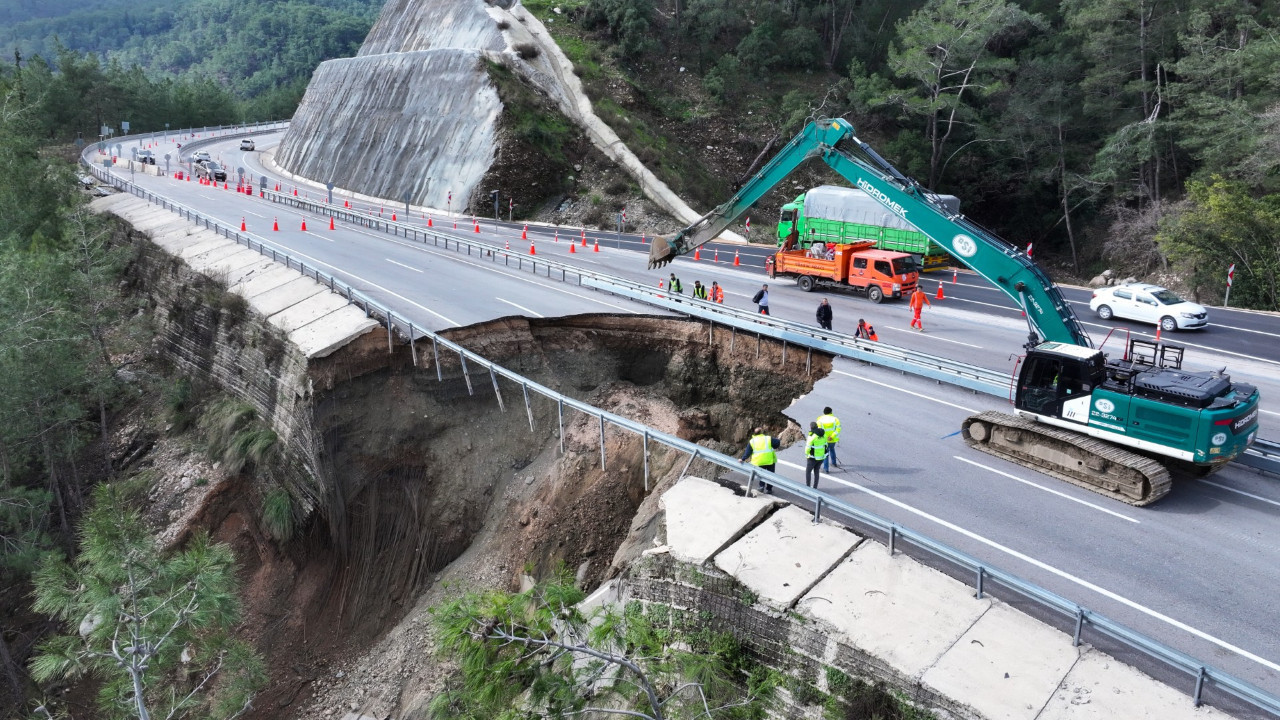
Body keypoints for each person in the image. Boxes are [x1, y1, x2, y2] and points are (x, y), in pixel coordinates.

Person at [738, 426, 781, 494]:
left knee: (761, 474)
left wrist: (742, 459)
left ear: (754, 434)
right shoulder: (768, 438)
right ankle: (769, 489)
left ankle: (761, 486)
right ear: (762, 432)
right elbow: (777, 443)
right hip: (769, 460)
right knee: (770, 475)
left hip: (759, 461)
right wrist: (778, 440)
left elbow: (747, 452)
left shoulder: (752, 441)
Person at [816, 407, 841, 472]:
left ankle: (826, 469)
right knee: (832, 449)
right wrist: (832, 436)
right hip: (832, 439)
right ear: (831, 412)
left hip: (824, 440)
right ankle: (834, 463)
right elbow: (838, 429)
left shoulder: (820, 420)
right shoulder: (835, 419)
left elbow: (819, 431)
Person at [804, 423, 827, 489]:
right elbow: (826, 445)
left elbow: (808, 447)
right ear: (817, 426)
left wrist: (807, 455)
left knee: (808, 471)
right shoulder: (823, 434)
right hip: (821, 457)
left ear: (811, 428)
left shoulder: (812, 436)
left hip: (812, 458)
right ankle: (815, 487)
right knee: (816, 471)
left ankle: (808, 487)